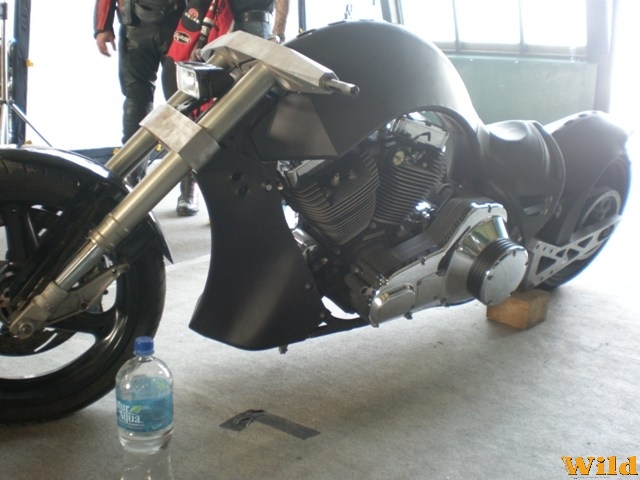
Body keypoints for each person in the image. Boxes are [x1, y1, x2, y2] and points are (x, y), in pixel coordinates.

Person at [164, 0, 289, 216]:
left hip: (252, 24)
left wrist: (278, 33)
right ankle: (193, 189)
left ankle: (260, 193)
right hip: (212, 19)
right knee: (197, 110)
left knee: (252, 117)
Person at [93, 0, 186, 184]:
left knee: (176, 101)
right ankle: (135, 174)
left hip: (157, 24)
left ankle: (135, 176)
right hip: (164, 24)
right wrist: (102, 27)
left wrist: (103, 26)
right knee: (179, 101)